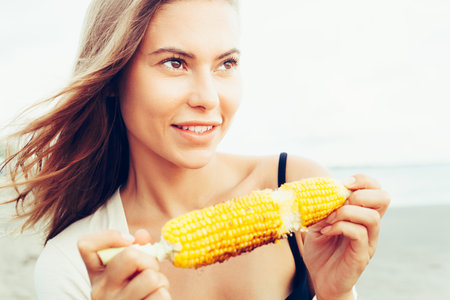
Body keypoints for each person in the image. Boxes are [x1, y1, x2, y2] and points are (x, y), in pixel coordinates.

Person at [1, 0, 390, 299]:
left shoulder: (295, 183)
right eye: (175, 63)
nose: (208, 97)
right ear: (113, 79)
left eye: (226, 63)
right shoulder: (77, 261)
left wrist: (336, 293)